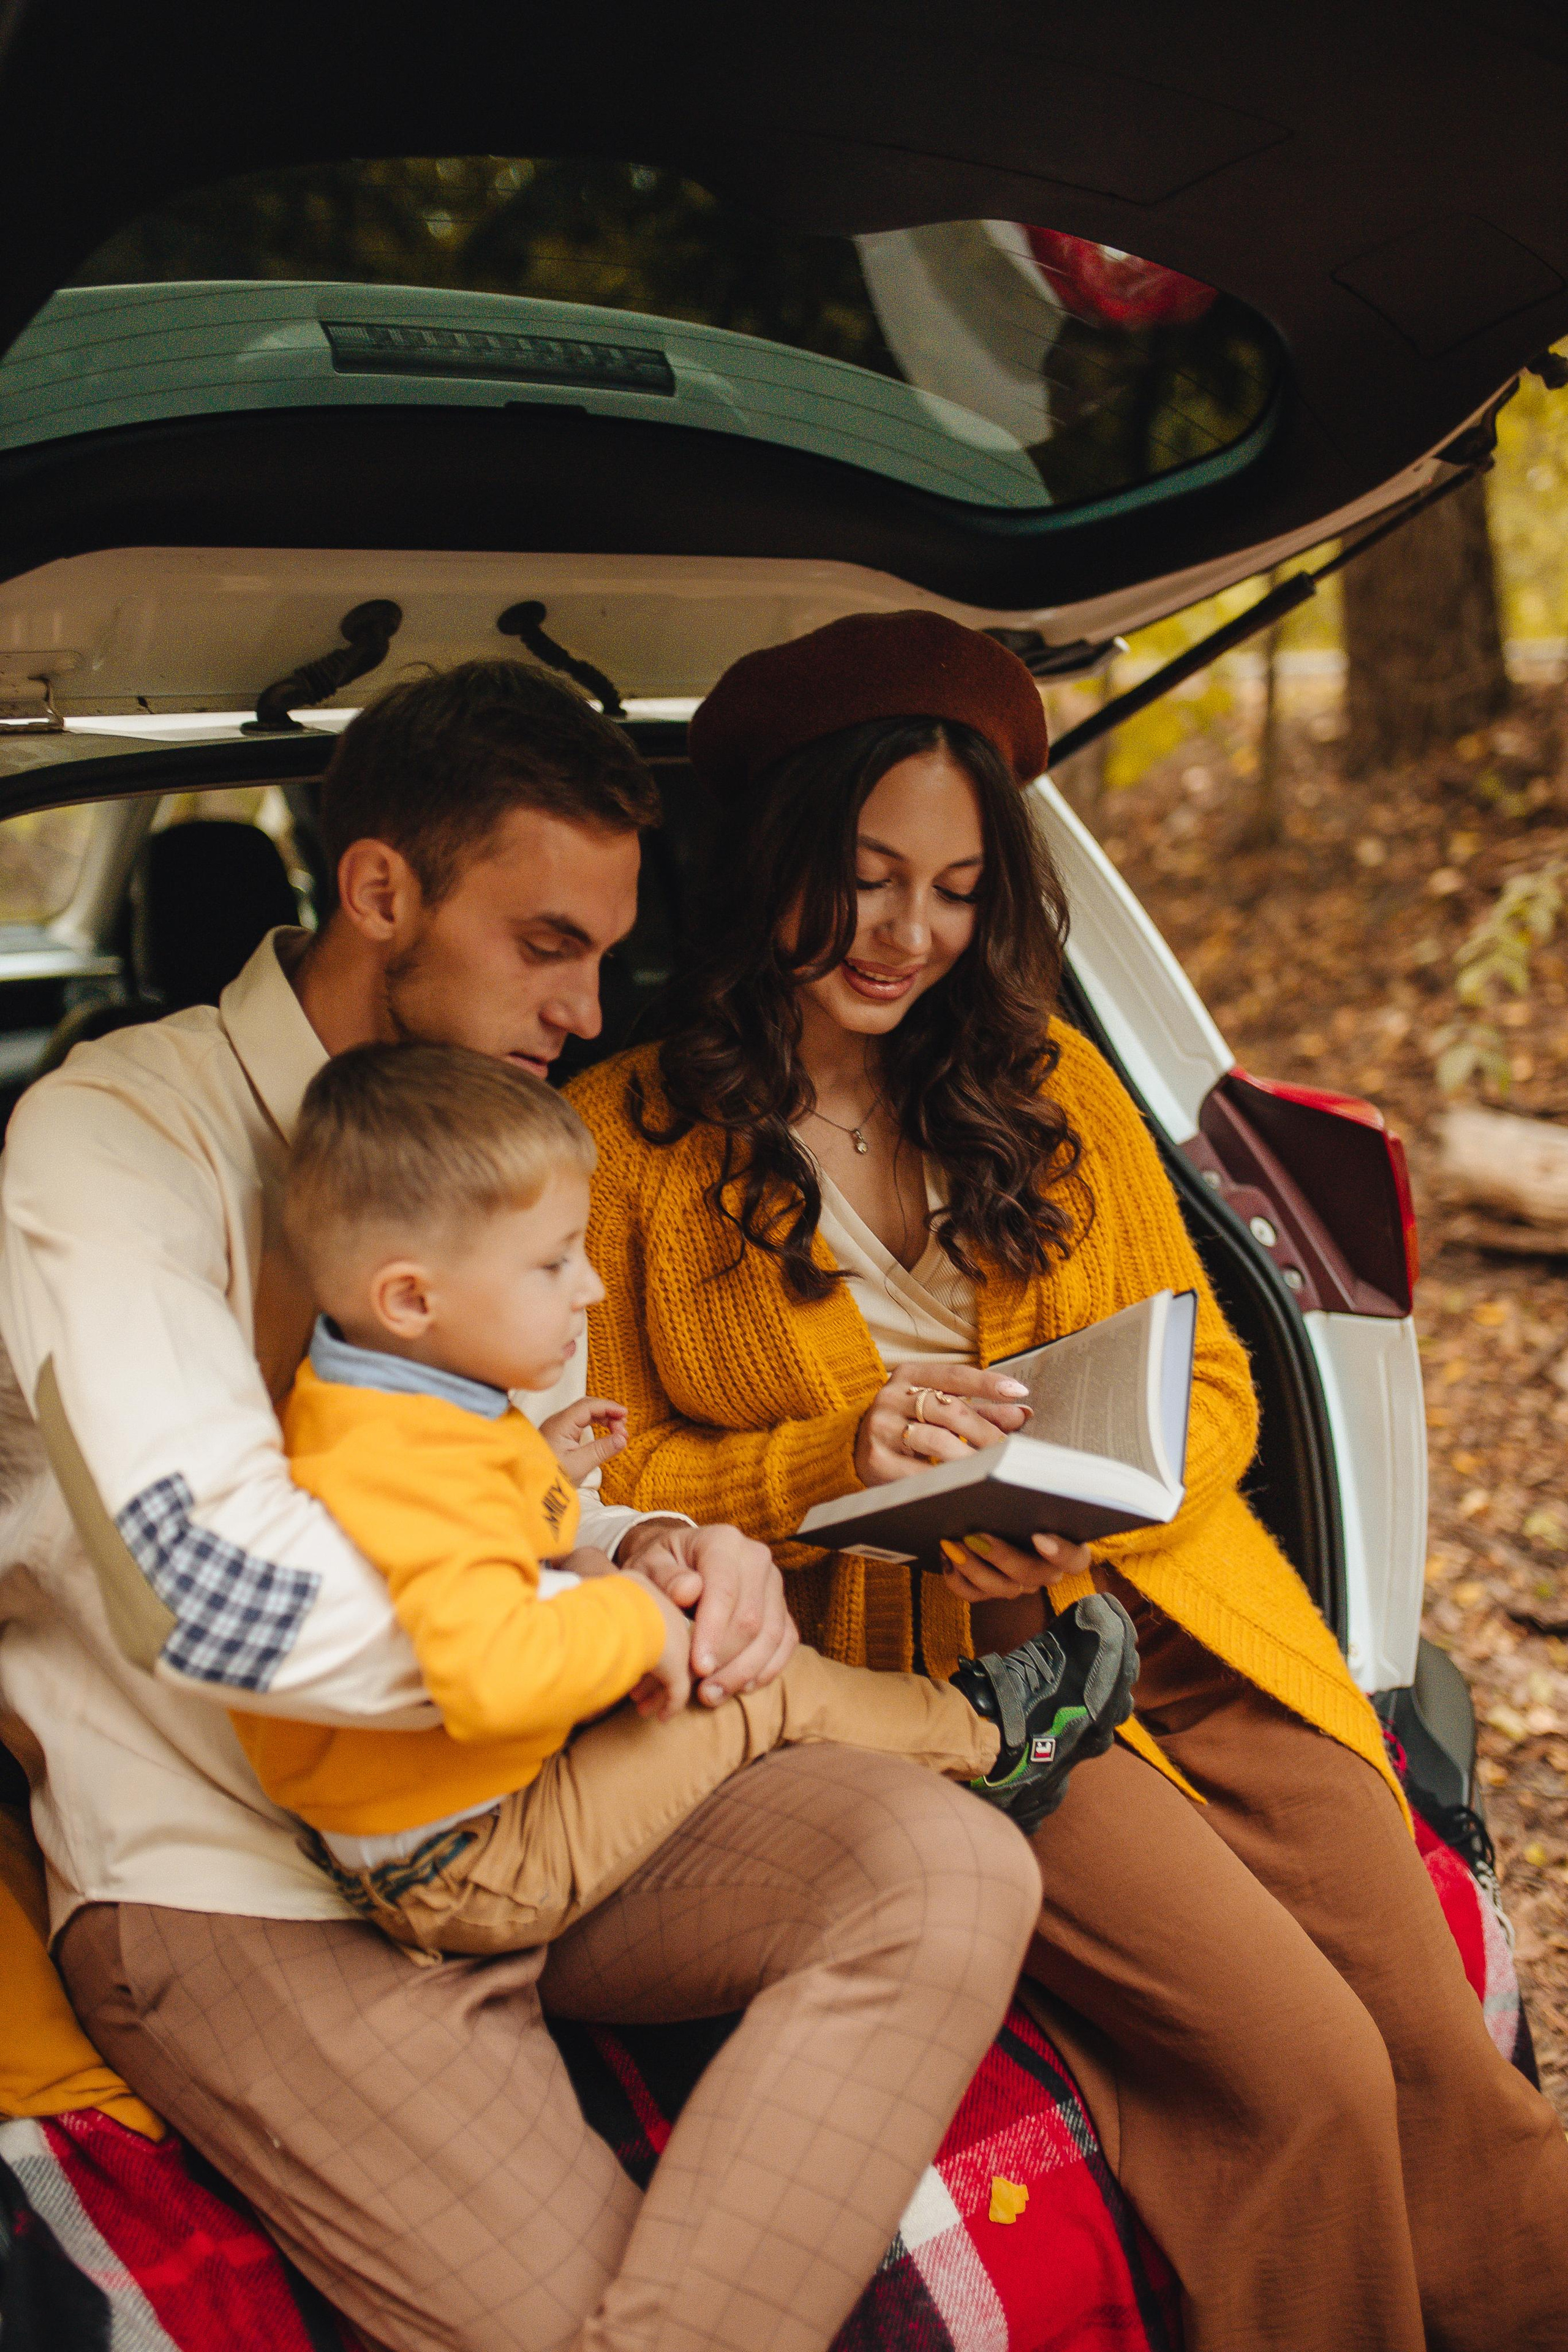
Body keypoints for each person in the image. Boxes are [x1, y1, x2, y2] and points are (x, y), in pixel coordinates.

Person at [0, 658, 1049, 2352]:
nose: (585, 1006)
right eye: (545, 944)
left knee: (950, 1861)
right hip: (242, 1884)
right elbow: (220, 1598)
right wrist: (614, 1626)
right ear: (380, 891)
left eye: (606, 952)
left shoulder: (505, 1136)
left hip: (530, 1809)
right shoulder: (113, 1137)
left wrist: (666, 1551)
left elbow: (548, 1475)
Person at [569, 609, 1568, 2352]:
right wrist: (831, 1461)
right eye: (866, 877)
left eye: (955, 890)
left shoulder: (1045, 1083)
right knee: (1309, 2070)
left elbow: (1229, 1383)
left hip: (1169, 1606)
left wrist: (1101, 1477)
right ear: (775, 859)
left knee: (1431, 2039)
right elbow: (581, 1483)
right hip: (942, 1693)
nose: (908, 935)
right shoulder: (616, 1143)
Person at [241, 1038, 1136, 1959]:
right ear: (409, 1299)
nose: (588, 1288)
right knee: (743, 1685)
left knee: (656, 1606)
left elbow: (458, 1545)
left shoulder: (377, 1405)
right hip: (471, 1862)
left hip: (447, 1811)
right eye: (552, 1265)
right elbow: (484, 1667)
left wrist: (545, 1479)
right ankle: (995, 1742)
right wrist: (634, 1618)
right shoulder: (402, 1461)